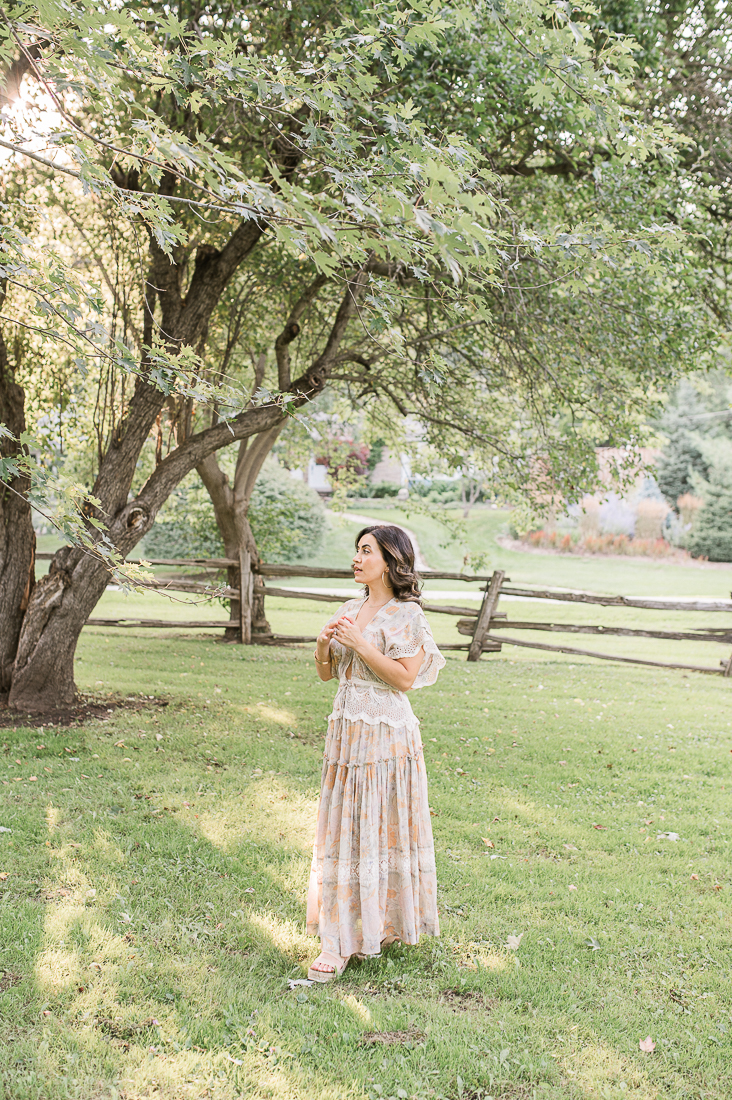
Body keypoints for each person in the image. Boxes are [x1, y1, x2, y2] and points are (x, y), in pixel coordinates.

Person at [307, 524, 445, 981]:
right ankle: (342, 931)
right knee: (346, 823)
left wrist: (362, 645)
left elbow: (405, 679)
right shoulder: (351, 608)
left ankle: (370, 929)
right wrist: (325, 645)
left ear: (389, 560)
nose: (356, 558)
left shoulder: (407, 615)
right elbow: (327, 675)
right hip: (346, 730)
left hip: (386, 732)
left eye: (366, 551)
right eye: (356, 551)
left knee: (377, 823)